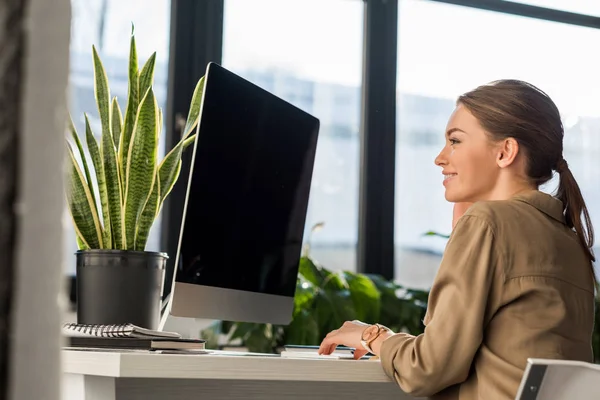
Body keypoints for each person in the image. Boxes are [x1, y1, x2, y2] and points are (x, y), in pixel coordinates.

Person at [317, 79, 597, 399]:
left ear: (505, 152)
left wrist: (369, 335)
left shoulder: (489, 224)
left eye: (455, 141)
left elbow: (428, 368)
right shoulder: (571, 241)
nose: (440, 157)